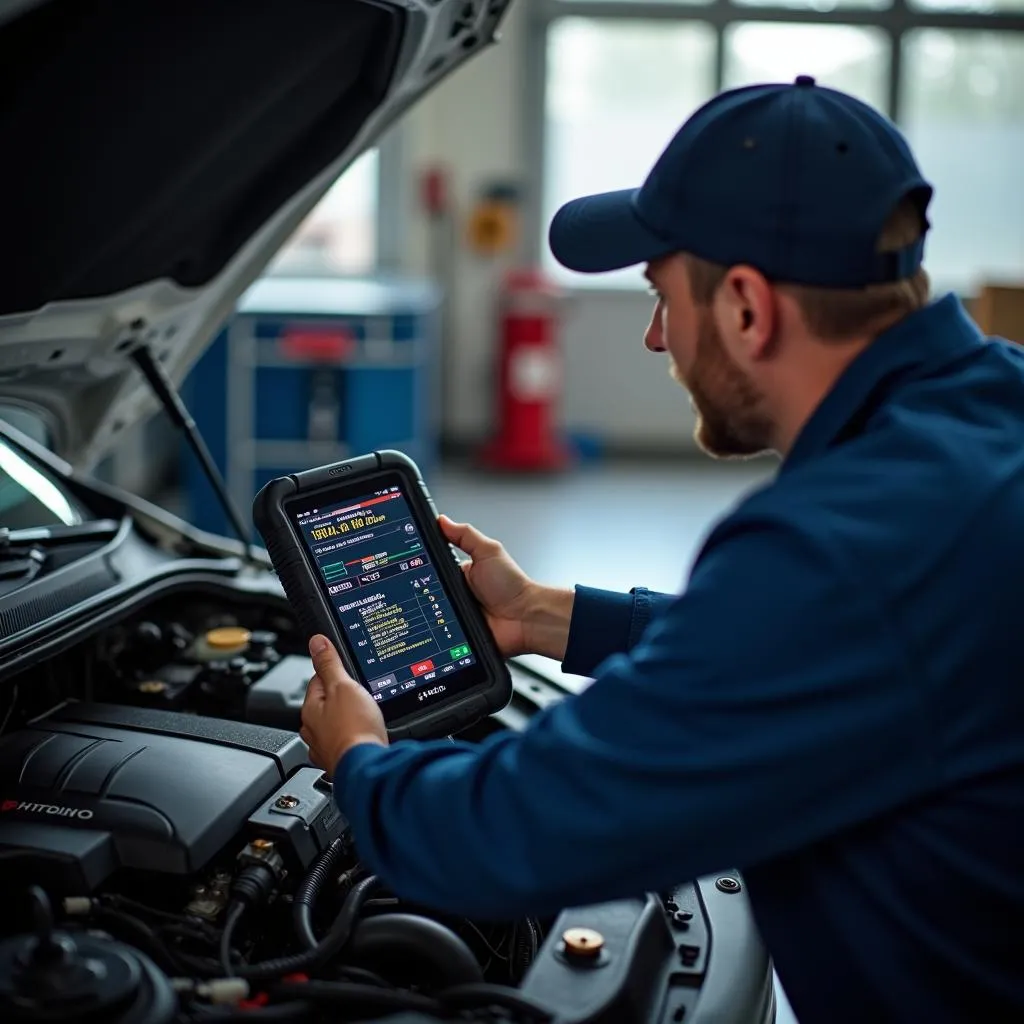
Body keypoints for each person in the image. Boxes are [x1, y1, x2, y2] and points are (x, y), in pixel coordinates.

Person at [299, 77, 1024, 1022]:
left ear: (748, 308)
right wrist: (543, 616)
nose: (655, 338)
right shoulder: (990, 414)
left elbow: (514, 837)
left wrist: (360, 764)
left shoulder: (838, 543)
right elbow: (829, 648)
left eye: (660, 296)